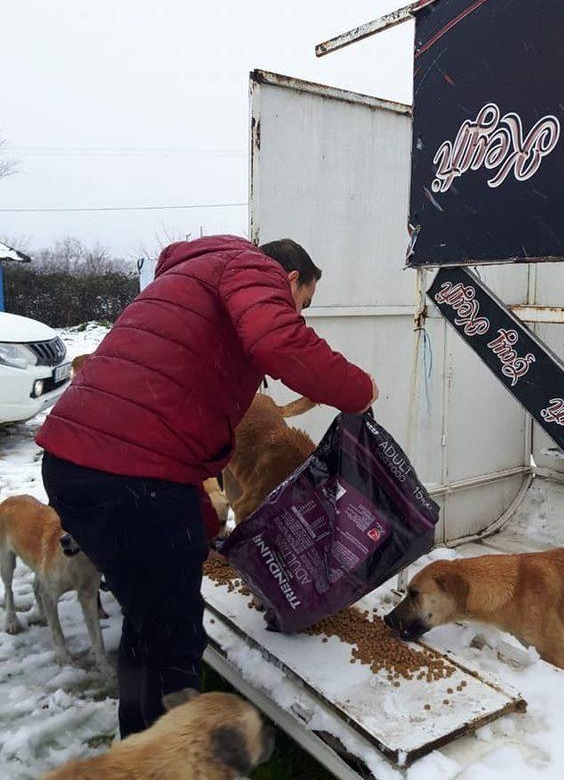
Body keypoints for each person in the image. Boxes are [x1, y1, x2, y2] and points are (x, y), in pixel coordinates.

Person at [37, 235, 377, 738]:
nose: (299, 314)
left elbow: (161, 416)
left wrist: (197, 516)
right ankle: (179, 755)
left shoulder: (183, 281)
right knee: (173, 642)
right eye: (302, 303)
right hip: (129, 475)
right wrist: (360, 390)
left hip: (73, 464)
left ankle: (138, 746)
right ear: (289, 279)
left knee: (147, 619)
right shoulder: (249, 267)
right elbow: (277, 340)